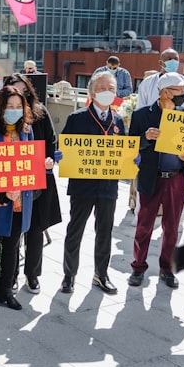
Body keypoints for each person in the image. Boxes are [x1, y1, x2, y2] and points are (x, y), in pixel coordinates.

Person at [61, 71, 126, 294]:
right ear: (91, 92)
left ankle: (101, 274)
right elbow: (64, 148)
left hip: (108, 186)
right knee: (75, 230)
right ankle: (69, 275)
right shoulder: (77, 118)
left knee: (105, 231)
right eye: (102, 88)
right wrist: (61, 155)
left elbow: (123, 151)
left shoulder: (118, 120)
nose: (107, 92)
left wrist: (131, 158)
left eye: (111, 88)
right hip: (83, 186)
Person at [0, 86, 45, 311]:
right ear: (0, 108)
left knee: (12, 248)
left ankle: (5, 290)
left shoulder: (27, 131)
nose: (14, 111)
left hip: (21, 200)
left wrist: (43, 165)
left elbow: (30, 164)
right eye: (10, 107)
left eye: (19, 107)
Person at [128, 73, 184, 288]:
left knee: (172, 227)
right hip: (151, 178)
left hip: (176, 178)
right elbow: (130, 147)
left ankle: (167, 269)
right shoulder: (141, 116)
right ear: (166, 92)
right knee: (144, 226)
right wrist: (145, 139)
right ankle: (138, 267)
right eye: (179, 90)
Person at [4, 74, 61, 294]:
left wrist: (48, 161)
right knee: (13, 231)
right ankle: (12, 276)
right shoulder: (3, 117)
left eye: (24, 92)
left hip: (36, 182)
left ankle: (32, 275)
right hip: (11, 184)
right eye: (14, 93)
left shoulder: (40, 113)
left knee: (35, 231)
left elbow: (50, 142)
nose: (21, 97)